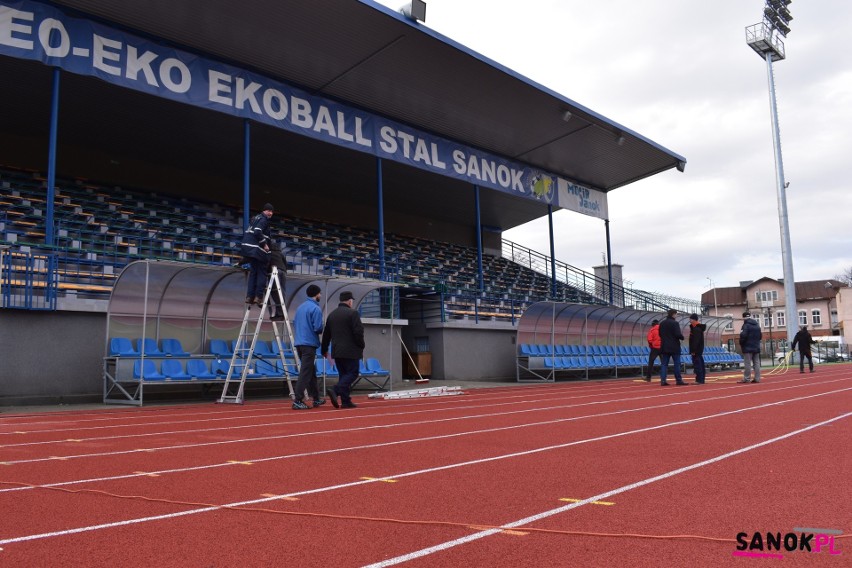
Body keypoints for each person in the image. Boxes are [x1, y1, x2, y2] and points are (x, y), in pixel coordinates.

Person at [321, 290, 364, 409]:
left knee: (343, 375)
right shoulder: (353, 313)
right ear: (350, 301)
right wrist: (361, 345)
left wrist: (324, 349)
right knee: (352, 373)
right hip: (350, 351)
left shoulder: (332, 315)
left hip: (337, 351)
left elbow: (326, 335)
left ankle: (346, 401)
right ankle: (335, 390)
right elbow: (358, 332)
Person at [291, 284, 326, 410]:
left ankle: (316, 398)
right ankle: (298, 400)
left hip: (299, 343)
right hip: (309, 344)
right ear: (316, 294)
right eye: (320, 294)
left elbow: (295, 323)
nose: (320, 296)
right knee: (306, 373)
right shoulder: (315, 309)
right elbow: (318, 328)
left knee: (311, 372)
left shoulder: (300, 308)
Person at [239, 203, 274, 305]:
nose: (270, 213)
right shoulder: (263, 220)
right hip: (257, 250)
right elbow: (257, 231)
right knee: (262, 272)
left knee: (253, 273)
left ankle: (250, 296)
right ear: (264, 211)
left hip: (249, 249)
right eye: (269, 211)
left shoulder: (255, 219)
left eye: (272, 211)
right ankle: (258, 297)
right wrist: (265, 244)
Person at [658, 308, 687, 386]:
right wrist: (682, 337)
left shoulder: (662, 323)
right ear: (673, 314)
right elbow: (677, 334)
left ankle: (663, 380)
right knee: (677, 364)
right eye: (676, 314)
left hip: (664, 346)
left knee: (664, 364)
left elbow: (660, 334)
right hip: (674, 346)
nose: (676, 316)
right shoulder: (675, 323)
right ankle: (678, 380)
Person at [739, 311, 762, 383]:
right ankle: (757, 378)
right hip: (756, 346)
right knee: (757, 363)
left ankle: (747, 378)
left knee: (747, 363)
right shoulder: (757, 325)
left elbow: (743, 336)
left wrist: (741, 343)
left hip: (747, 347)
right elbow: (760, 336)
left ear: (744, 317)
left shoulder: (745, 325)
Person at [267, 240, 287, 321]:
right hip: (283, 272)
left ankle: (280, 314)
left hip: (275, 271)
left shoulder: (269, 253)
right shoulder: (281, 254)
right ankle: (280, 313)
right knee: (282, 292)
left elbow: (267, 263)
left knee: (275, 293)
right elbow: (285, 264)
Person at [688, 313, 706, 384]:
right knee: (699, 364)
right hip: (698, 350)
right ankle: (701, 379)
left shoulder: (696, 329)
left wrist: (693, 350)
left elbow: (695, 341)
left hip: (696, 350)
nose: (689, 321)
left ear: (693, 320)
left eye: (690, 319)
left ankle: (699, 379)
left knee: (697, 364)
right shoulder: (697, 328)